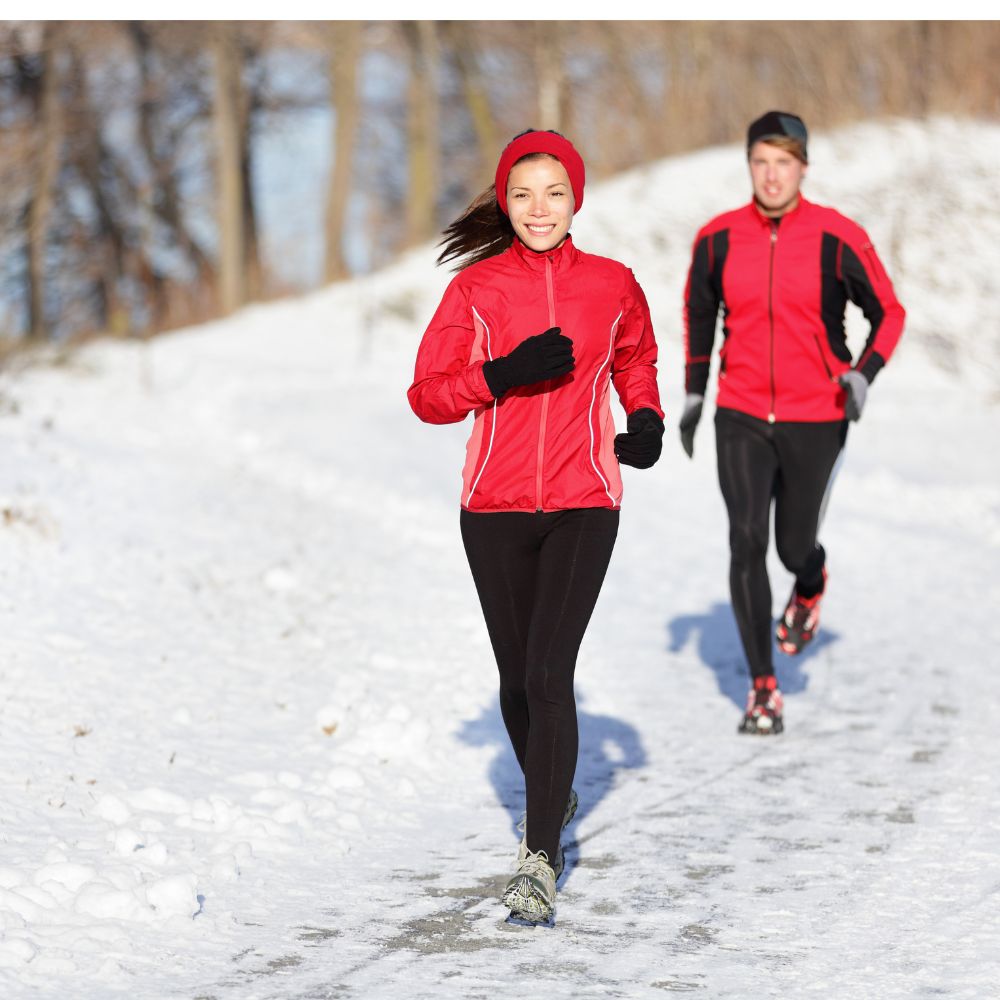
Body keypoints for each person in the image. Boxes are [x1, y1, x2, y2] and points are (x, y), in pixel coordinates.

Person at [408, 129, 664, 922]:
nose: (538, 208)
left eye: (554, 191)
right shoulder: (477, 291)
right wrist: (503, 374)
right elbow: (427, 394)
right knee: (517, 679)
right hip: (493, 508)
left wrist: (646, 418)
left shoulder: (613, 283)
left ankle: (539, 856)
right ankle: (556, 793)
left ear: (576, 197)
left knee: (551, 674)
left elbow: (635, 358)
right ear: (505, 203)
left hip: (586, 499)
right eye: (522, 194)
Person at [679, 111, 905, 736]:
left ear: (803, 166)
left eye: (783, 162)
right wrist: (696, 395)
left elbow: (889, 312)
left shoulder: (838, 237)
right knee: (746, 540)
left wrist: (862, 374)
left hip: (816, 415)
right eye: (760, 162)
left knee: (791, 545)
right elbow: (700, 314)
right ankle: (763, 687)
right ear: (748, 166)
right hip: (742, 411)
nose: (771, 175)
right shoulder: (718, 239)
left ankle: (809, 582)